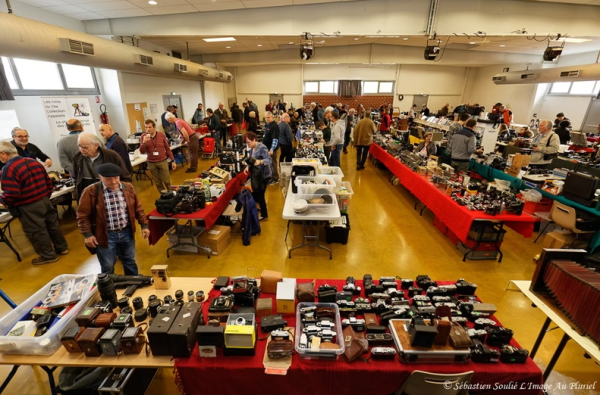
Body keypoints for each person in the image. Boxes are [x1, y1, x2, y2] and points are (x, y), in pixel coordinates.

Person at [0, 141, 69, 265]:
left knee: (36, 232)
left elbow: (12, 193)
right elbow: (49, 183)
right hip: (45, 200)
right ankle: (63, 248)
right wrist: (45, 197)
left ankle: (48, 256)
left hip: (28, 206)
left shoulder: (8, 169)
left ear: (3, 153)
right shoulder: (33, 162)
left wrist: (3, 200)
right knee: (53, 226)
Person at [77, 163, 149, 275]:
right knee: (108, 265)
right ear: (100, 177)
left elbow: (138, 208)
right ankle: (110, 289)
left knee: (129, 261)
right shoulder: (90, 191)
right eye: (108, 179)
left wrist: (144, 225)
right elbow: (82, 214)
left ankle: (133, 283)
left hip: (126, 232)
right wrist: (87, 234)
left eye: (116, 178)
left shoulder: (128, 187)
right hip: (105, 235)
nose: (114, 182)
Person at [72, 132, 132, 199]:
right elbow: (75, 176)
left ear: (96, 145)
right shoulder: (78, 157)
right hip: (87, 192)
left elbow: (125, 176)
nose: (81, 150)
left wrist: (126, 193)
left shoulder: (111, 155)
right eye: (79, 146)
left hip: (109, 191)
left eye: (85, 147)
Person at [139, 119, 177, 192]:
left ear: (154, 127)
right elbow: (142, 151)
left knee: (167, 181)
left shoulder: (161, 135)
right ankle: (164, 198)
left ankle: (171, 195)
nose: (148, 129)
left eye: (149, 127)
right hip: (151, 163)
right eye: (146, 127)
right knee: (158, 183)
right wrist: (144, 143)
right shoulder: (143, 136)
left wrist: (173, 160)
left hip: (162, 161)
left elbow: (167, 148)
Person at [244, 132, 271, 221]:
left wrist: (260, 162)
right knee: (258, 193)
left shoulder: (262, 147)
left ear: (254, 139)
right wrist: (247, 167)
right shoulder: (253, 148)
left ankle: (264, 215)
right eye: (246, 143)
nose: (248, 144)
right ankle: (261, 209)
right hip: (257, 175)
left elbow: (269, 160)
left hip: (264, 175)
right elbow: (252, 160)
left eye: (248, 142)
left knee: (259, 194)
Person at [262, 112, 280, 185]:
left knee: (273, 163)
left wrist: (272, 149)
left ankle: (276, 178)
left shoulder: (274, 126)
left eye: (268, 117)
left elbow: (275, 139)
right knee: (270, 163)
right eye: (266, 117)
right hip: (267, 148)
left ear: (272, 117)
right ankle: (272, 176)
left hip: (271, 150)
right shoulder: (268, 125)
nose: (267, 119)